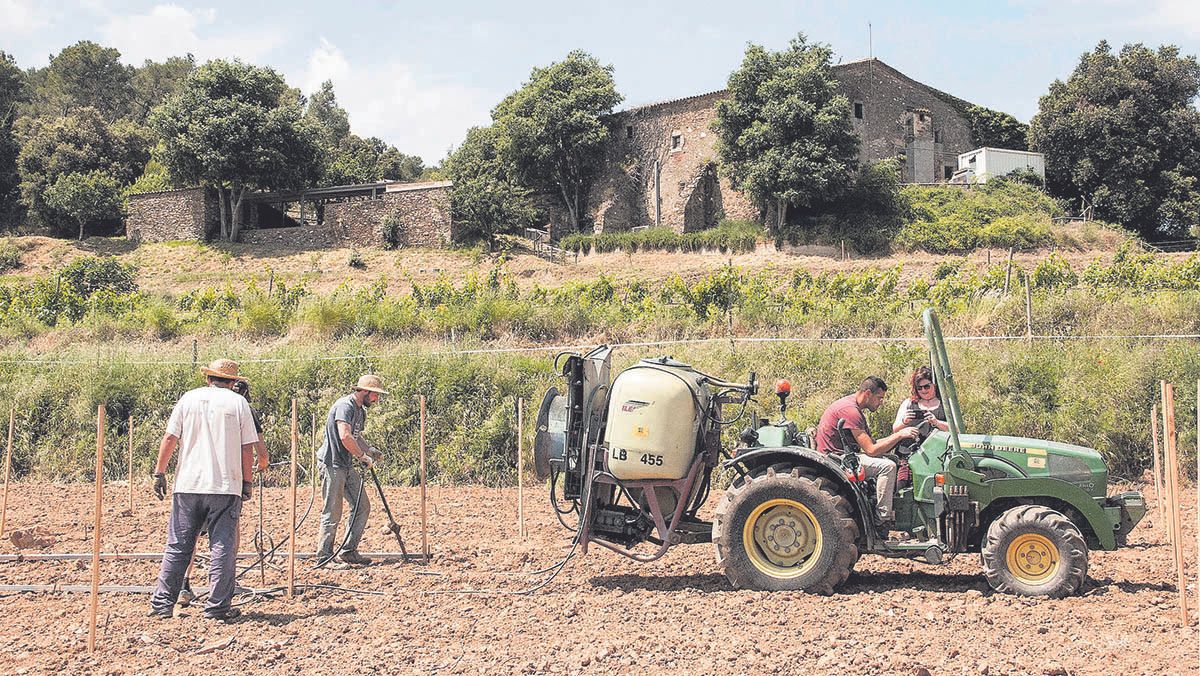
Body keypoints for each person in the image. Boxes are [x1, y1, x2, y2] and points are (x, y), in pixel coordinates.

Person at [148, 358, 259, 621]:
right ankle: (217, 608)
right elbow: (247, 448)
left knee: (178, 546)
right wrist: (247, 481)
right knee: (222, 546)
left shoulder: (188, 398)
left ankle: (162, 604)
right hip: (225, 486)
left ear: (208, 378)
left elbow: (170, 438)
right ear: (233, 383)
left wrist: (159, 472)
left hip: (187, 484)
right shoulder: (238, 403)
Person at [179, 378, 268, 606]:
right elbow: (255, 447)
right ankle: (223, 585)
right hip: (226, 483)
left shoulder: (196, 403)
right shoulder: (242, 407)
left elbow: (173, 437)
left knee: (191, 535)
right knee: (226, 537)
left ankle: (183, 585)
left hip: (194, 481)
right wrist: (256, 471)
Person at [814, 376, 920, 529]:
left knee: (894, 459)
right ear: (868, 394)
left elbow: (872, 444)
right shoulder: (850, 411)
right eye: (879, 398)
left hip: (845, 454)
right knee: (887, 467)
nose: (881, 402)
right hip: (837, 459)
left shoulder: (853, 407)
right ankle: (883, 520)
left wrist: (899, 436)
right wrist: (899, 435)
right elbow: (871, 450)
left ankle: (892, 503)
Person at [316, 374, 387, 568]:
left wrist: (369, 450)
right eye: (375, 395)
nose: (376, 399)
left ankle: (348, 550)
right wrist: (362, 457)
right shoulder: (345, 406)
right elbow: (345, 437)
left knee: (362, 506)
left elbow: (356, 437)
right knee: (332, 511)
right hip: (332, 463)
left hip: (346, 465)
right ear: (365, 392)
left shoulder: (360, 411)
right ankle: (324, 557)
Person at [892, 366, 950, 435]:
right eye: (919, 388)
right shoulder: (908, 403)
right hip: (912, 443)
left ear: (934, 385)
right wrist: (904, 422)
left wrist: (937, 422)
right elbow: (895, 430)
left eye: (926, 387)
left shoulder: (947, 403)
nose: (923, 390)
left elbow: (958, 430)